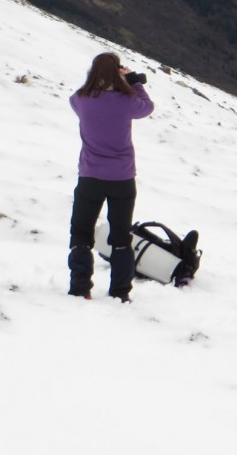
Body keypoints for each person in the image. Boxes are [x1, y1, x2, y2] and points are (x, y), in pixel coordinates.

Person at [68, 52, 154, 301]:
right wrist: (133, 81)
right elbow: (147, 107)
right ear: (118, 72)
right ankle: (120, 292)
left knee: (81, 234)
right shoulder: (127, 101)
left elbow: (76, 96)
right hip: (122, 178)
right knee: (120, 237)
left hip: (90, 177)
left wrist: (95, 80)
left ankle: (80, 288)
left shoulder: (81, 100)